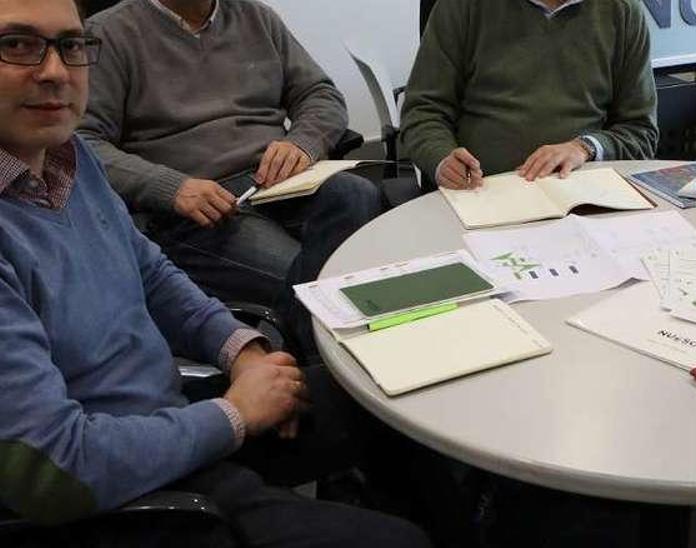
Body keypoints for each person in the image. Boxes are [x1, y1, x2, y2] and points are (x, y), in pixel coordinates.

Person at [0, 0, 427, 546]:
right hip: (132, 484)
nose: (56, 71)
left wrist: (246, 355)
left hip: (171, 412)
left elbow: (151, 274)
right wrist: (235, 414)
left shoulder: (67, 156)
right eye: (18, 45)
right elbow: (59, 470)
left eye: (70, 45)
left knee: (384, 397)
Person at [77, 0, 382, 357]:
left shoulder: (256, 16)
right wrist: (171, 187)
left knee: (356, 194)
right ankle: (329, 375)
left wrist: (303, 142)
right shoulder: (110, 33)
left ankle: (323, 343)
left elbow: (320, 94)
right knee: (311, 280)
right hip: (199, 205)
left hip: (277, 180)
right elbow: (82, 142)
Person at [399, 0, 658, 190]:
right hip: (481, 193)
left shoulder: (622, 11)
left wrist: (584, 147)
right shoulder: (462, 7)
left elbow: (640, 132)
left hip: (581, 196)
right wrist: (442, 159)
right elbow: (423, 111)